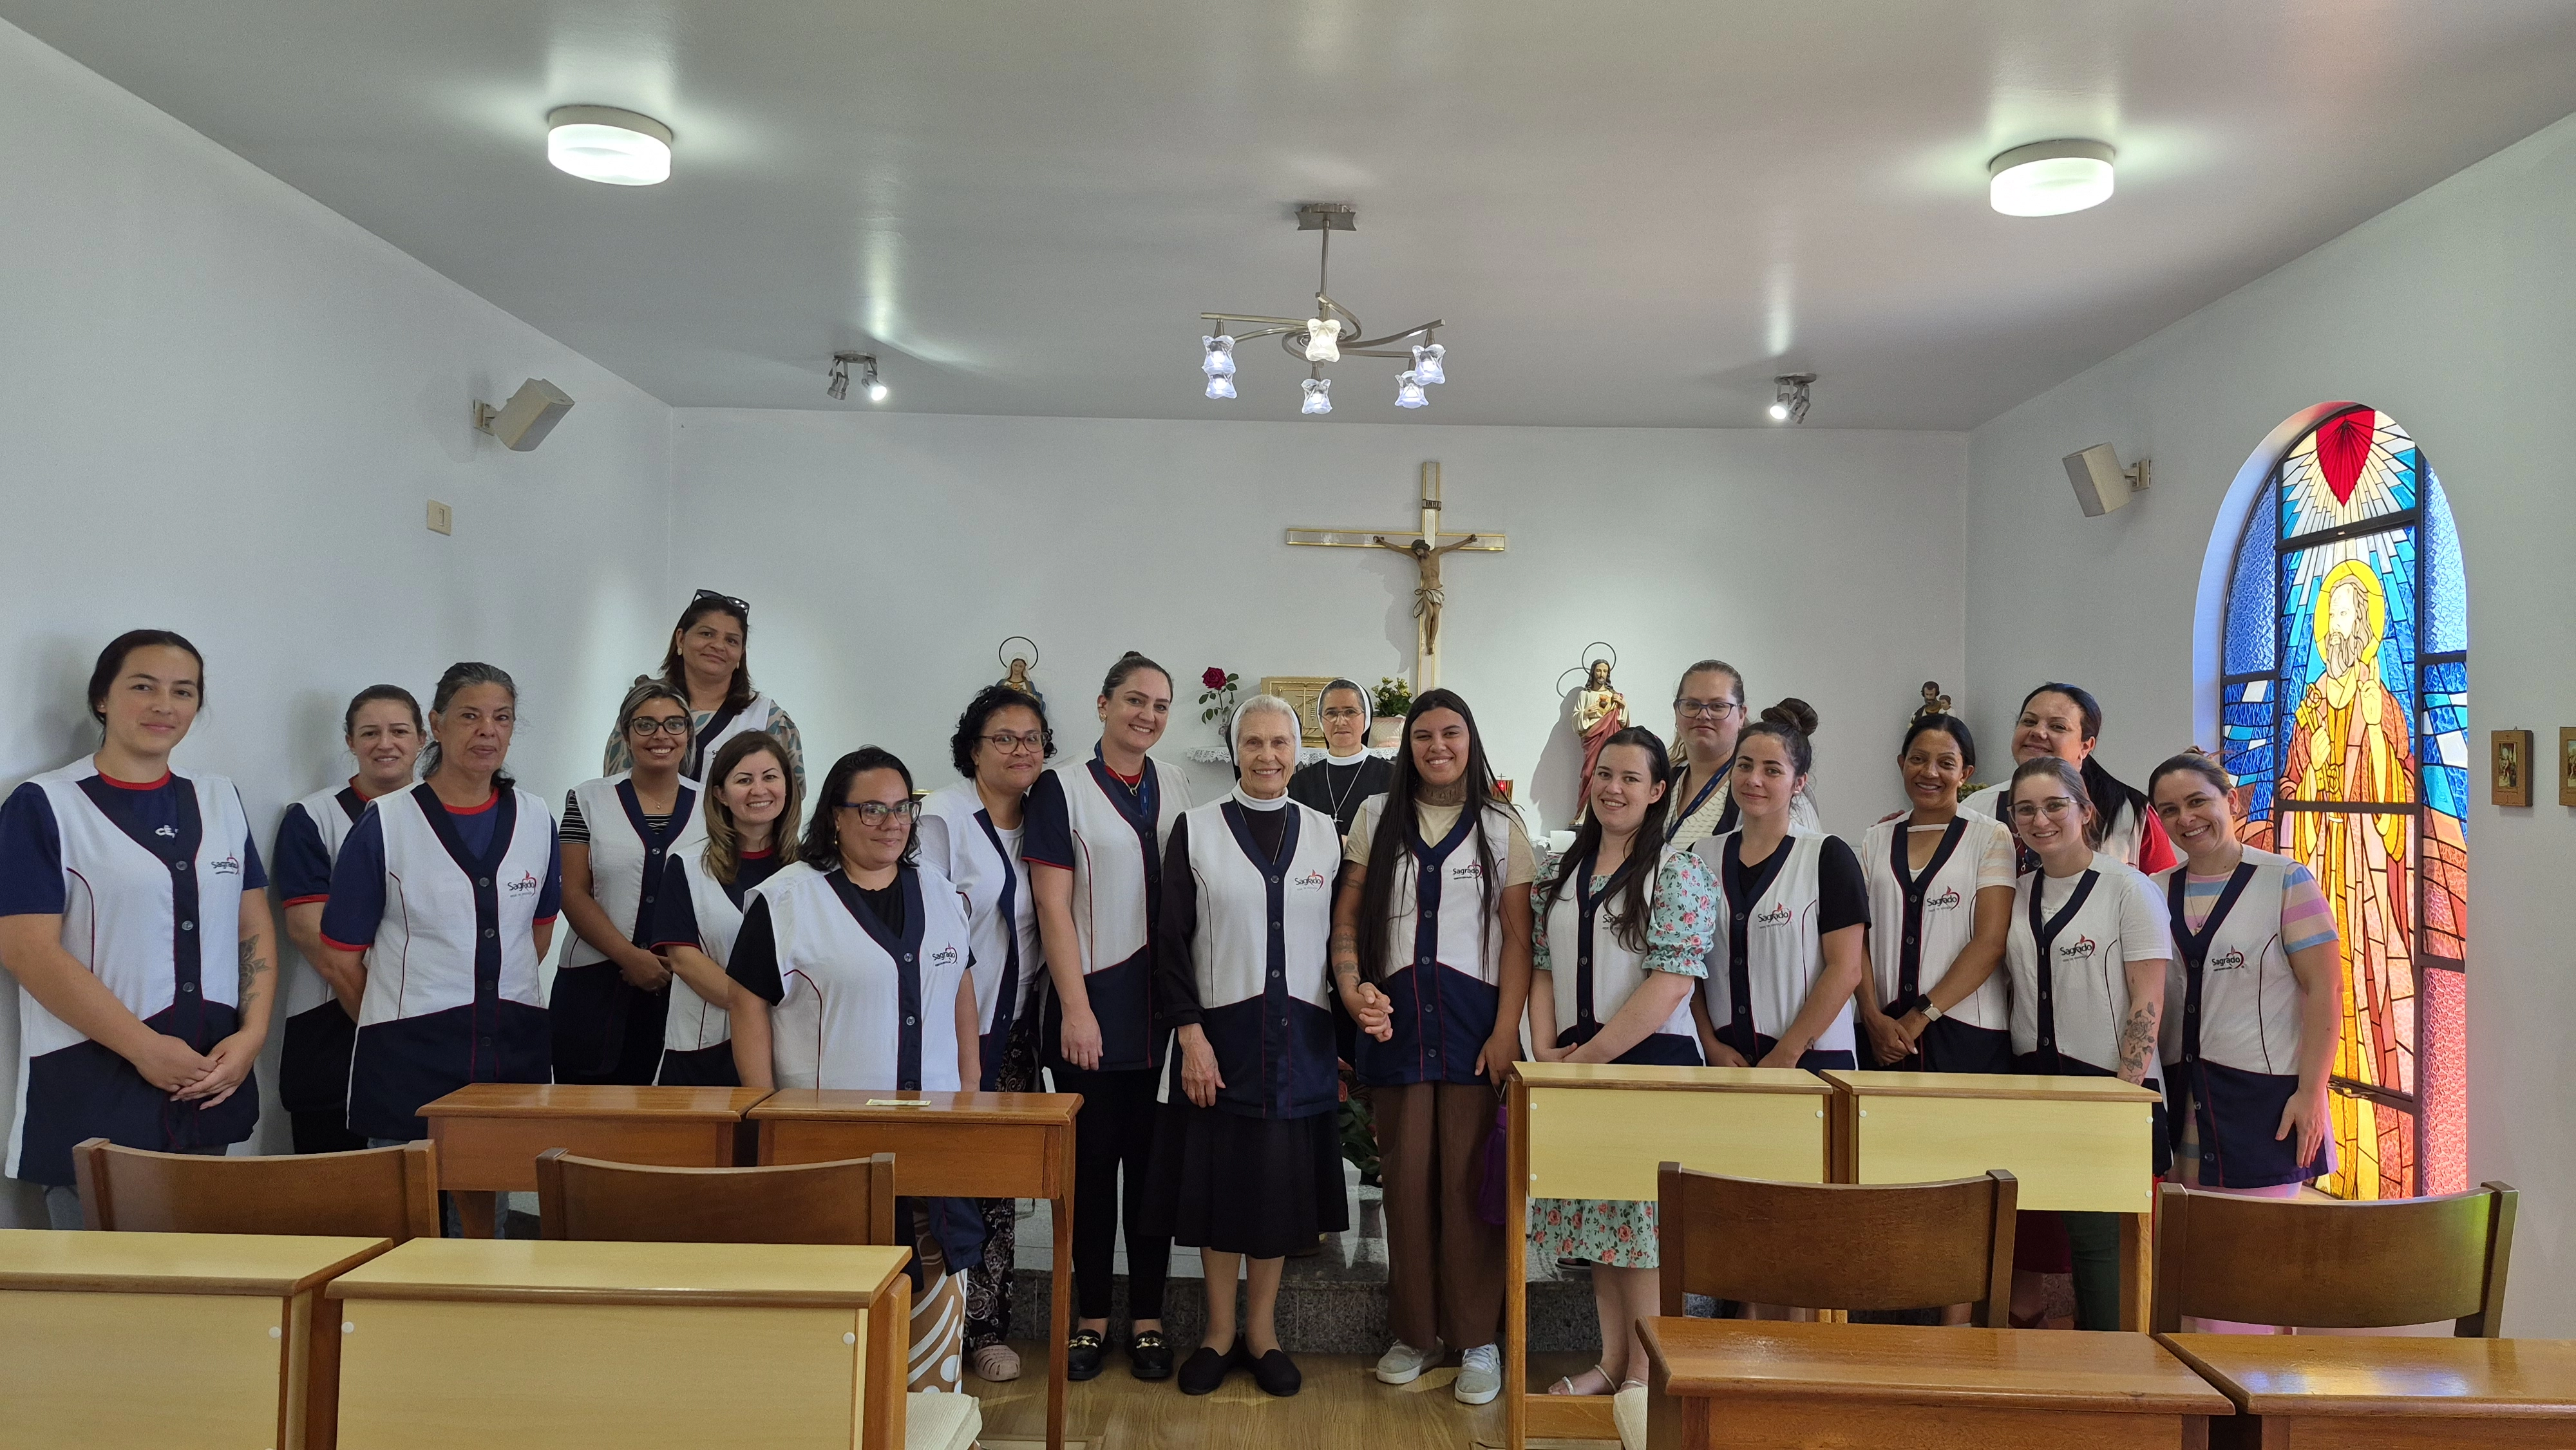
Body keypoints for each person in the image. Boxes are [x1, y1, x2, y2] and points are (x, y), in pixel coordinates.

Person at [724, 746, 983, 1394]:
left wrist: (972, 1092)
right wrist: (760, 1108)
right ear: (835, 816)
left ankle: (927, 1420)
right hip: (826, 1148)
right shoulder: (788, 899)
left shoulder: (940, 893)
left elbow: (959, 989)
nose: (891, 821)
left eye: (902, 807)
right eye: (872, 807)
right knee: (836, 1340)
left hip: (933, 1148)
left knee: (930, 1329)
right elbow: (746, 1001)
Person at [0, 631, 274, 1229]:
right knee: (106, 1305)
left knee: (202, 1289)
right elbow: (26, 949)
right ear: (102, 697)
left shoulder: (219, 798)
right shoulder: (44, 804)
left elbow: (252, 922)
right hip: (93, 1088)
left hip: (208, 1078)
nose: (164, 705)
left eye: (183, 692)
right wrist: (144, 1049)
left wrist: (252, 1036)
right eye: (142, 687)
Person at [1333, 688, 1537, 1408]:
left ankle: (1478, 1336)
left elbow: (1519, 940)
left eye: (1451, 733)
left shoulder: (1501, 824)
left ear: (1469, 740)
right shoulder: (1372, 818)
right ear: (1406, 745)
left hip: (1472, 1029)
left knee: (1469, 1188)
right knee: (1407, 1184)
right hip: (1397, 1027)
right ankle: (1416, 1331)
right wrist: (1353, 985)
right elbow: (1346, 925)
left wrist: (1506, 1029)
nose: (1437, 746)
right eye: (1424, 734)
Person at [1147, 696, 1354, 1398]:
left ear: (1300, 749)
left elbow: (1342, 944)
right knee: (1216, 1190)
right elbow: (1170, 940)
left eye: (1280, 742)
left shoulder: (1329, 834)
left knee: (1275, 1193)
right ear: (1236, 749)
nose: (1268, 755)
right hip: (1219, 1037)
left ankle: (1262, 1333)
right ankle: (1217, 1332)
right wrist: (1191, 1034)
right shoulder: (1195, 830)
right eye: (1255, 742)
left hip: (1300, 1038)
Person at [1526, 726, 1715, 1396]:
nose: (1614, 787)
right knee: (1602, 1225)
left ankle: (1646, 1370)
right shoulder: (1560, 870)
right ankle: (1611, 1360)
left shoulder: (1679, 872)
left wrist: (1589, 1058)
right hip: (1576, 1063)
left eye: (1631, 778)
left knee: (1641, 1227)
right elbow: (1542, 967)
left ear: (1658, 790)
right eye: (1605, 773)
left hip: (1647, 1066)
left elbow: (1671, 982)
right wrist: (1545, 1050)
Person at [1023, 652, 1193, 1382]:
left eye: (1159, 704)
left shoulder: (1175, 783)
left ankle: (1149, 1318)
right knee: (1092, 1173)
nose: (1147, 714)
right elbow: (1052, 907)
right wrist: (1076, 1009)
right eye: (1134, 700)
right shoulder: (1060, 788)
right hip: (1091, 1010)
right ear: (1101, 704)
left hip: (1161, 1016)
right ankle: (1092, 1318)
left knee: (1152, 1174)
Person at [317, 663, 561, 1147]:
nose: (487, 730)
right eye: (470, 716)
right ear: (437, 725)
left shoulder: (536, 818)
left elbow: (536, 934)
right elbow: (340, 957)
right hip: (409, 1053)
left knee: (490, 1197)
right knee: (410, 1203)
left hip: (510, 1042)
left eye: (502, 718)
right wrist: (398, 1020)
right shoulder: (386, 822)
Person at [2147, 753, 2342, 1333]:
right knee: (2193, 1265)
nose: (2186, 818)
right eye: (2169, 810)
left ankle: (2260, 1403)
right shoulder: (2154, 890)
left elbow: (2324, 991)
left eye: (2198, 802)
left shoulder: (2284, 880)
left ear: (2233, 802)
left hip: (2265, 1100)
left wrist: (2312, 1093)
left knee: (2254, 1269)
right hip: (2183, 1099)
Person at [2000, 755, 2173, 1331]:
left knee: (2099, 1241)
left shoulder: (2129, 890)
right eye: (2026, 809)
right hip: (2033, 1085)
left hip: (2105, 1087)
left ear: (2085, 811)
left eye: (2055, 805)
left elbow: (2147, 998)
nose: (2040, 819)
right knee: (2032, 1231)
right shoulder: (2016, 893)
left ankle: (2114, 1369)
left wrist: (2124, 1097)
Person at [917, 684, 1054, 1382]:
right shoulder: (941, 815)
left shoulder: (1044, 818)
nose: (1020, 749)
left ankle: (987, 1328)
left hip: (1018, 1026)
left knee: (998, 1183)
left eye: (1031, 737)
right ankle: (931, 1324)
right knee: (941, 1179)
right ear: (973, 746)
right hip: (948, 1028)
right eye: (1003, 737)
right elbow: (930, 927)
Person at [273, 684, 425, 1153]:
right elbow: (310, 934)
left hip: (426, 1018)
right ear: (350, 741)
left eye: (399, 731)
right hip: (333, 1019)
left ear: (422, 739)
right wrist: (378, 1020)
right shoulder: (313, 818)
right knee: (334, 1190)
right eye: (370, 732)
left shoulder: (444, 815)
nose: (386, 744)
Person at [1690, 701, 1868, 1073]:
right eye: (1744, 766)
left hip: (1813, 1063)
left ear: (1798, 782)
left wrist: (1785, 1056)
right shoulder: (1700, 857)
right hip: (1726, 1062)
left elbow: (1846, 969)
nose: (1754, 780)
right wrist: (1711, 1047)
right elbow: (1689, 967)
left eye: (1773, 770)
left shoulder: (1827, 856)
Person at [556, 683, 705, 1086]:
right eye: (646, 725)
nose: (661, 735)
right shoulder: (587, 799)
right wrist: (630, 957)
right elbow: (571, 892)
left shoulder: (713, 805)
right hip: (594, 987)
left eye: (674, 724)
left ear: (688, 734)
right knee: (587, 1124)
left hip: (684, 987)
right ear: (625, 734)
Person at [1852, 714, 2018, 1073]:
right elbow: (1856, 939)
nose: (1930, 772)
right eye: (1918, 759)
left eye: (1946, 763)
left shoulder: (1990, 837)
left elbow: (1990, 942)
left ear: (1966, 773)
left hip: (1966, 1033)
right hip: (1881, 1032)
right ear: (1901, 763)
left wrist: (1921, 1015)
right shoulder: (1876, 839)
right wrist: (1870, 1016)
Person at [647, 731, 804, 1086]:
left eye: (770, 777)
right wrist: (750, 1008)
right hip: (704, 1054)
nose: (759, 790)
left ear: (788, 787)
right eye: (743, 780)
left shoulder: (813, 871)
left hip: (790, 1048)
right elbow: (684, 959)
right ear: (720, 793)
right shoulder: (685, 866)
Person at [1962, 683, 2178, 876]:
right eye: (2029, 722)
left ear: (2086, 746)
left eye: (2057, 726)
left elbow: (2164, 892)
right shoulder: (1977, 808)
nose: (2038, 732)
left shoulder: (2131, 812)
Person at [603, 589, 804, 790]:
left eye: (731, 640)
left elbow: (789, 799)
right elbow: (614, 788)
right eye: (707, 634)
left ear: (741, 654)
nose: (718, 645)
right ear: (681, 639)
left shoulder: (768, 719)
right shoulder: (642, 709)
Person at [1662, 660, 1819, 851]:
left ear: (1741, 714)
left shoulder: (1767, 790)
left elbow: (1800, 866)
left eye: (1718, 706)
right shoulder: (1664, 782)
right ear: (1676, 710)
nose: (1703, 715)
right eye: (1692, 705)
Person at [1286, 679, 1392, 840]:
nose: (1340, 721)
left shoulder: (1392, 777)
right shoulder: (1300, 782)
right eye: (1331, 713)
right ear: (1321, 720)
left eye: (1350, 712)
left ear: (1366, 718)